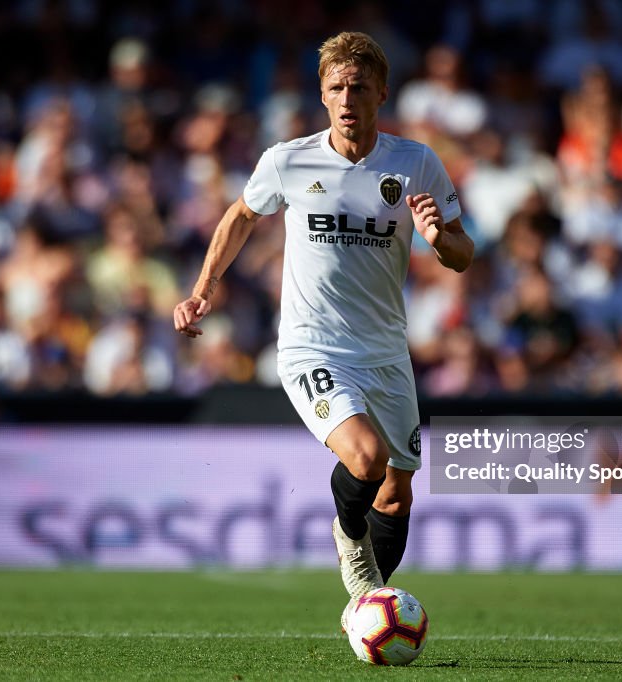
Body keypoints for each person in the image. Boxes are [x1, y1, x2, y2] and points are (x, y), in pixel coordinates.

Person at [173, 31, 473, 629]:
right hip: (314, 348)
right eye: (335, 87)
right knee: (366, 459)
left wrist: (440, 241)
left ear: (381, 93)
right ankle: (348, 540)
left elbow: (465, 254)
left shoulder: (416, 163)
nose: (346, 98)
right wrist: (205, 287)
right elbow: (239, 216)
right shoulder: (288, 159)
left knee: (395, 493)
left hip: (388, 354)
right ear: (321, 94)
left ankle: (368, 613)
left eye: (358, 87)